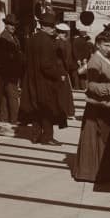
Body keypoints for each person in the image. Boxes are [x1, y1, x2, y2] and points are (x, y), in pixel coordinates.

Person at [73, 31, 110, 182]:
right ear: (97, 44)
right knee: (97, 139)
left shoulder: (104, 58)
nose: (108, 48)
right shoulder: (95, 60)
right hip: (98, 106)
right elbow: (92, 86)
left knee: (100, 140)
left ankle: (98, 172)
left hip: (105, 104)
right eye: (105, 45)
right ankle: (92, 173)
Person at [19, 10, 71, 146]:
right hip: (45, 81)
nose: (54, 29)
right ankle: (47, 137)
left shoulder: (31, 39)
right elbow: (46, 65)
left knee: (35, 107)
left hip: (31, 79)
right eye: (52, 26)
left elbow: (25, 60)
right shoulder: (48, 41)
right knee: (49, 108)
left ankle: (35, 135)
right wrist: (59, 75)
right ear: (45, 26)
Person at [0, 14, 23, 124]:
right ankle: (15, 118)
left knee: (6, 96)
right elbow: (5, 56)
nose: (13, 27)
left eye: (14, 25)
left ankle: (5, 118)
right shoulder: (3, 38)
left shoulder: (13, 37)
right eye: (11, 25)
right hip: (8, 71)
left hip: (12, 71)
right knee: (12, 95)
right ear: (6, 25)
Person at [54, 22, 77, 118]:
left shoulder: (58, 43)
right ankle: (68, 111)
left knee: (61, 92)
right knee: (65, 92)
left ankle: (62, 111)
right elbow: (67, 59)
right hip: (63, 70)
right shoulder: (66, 43)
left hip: (59, 69)